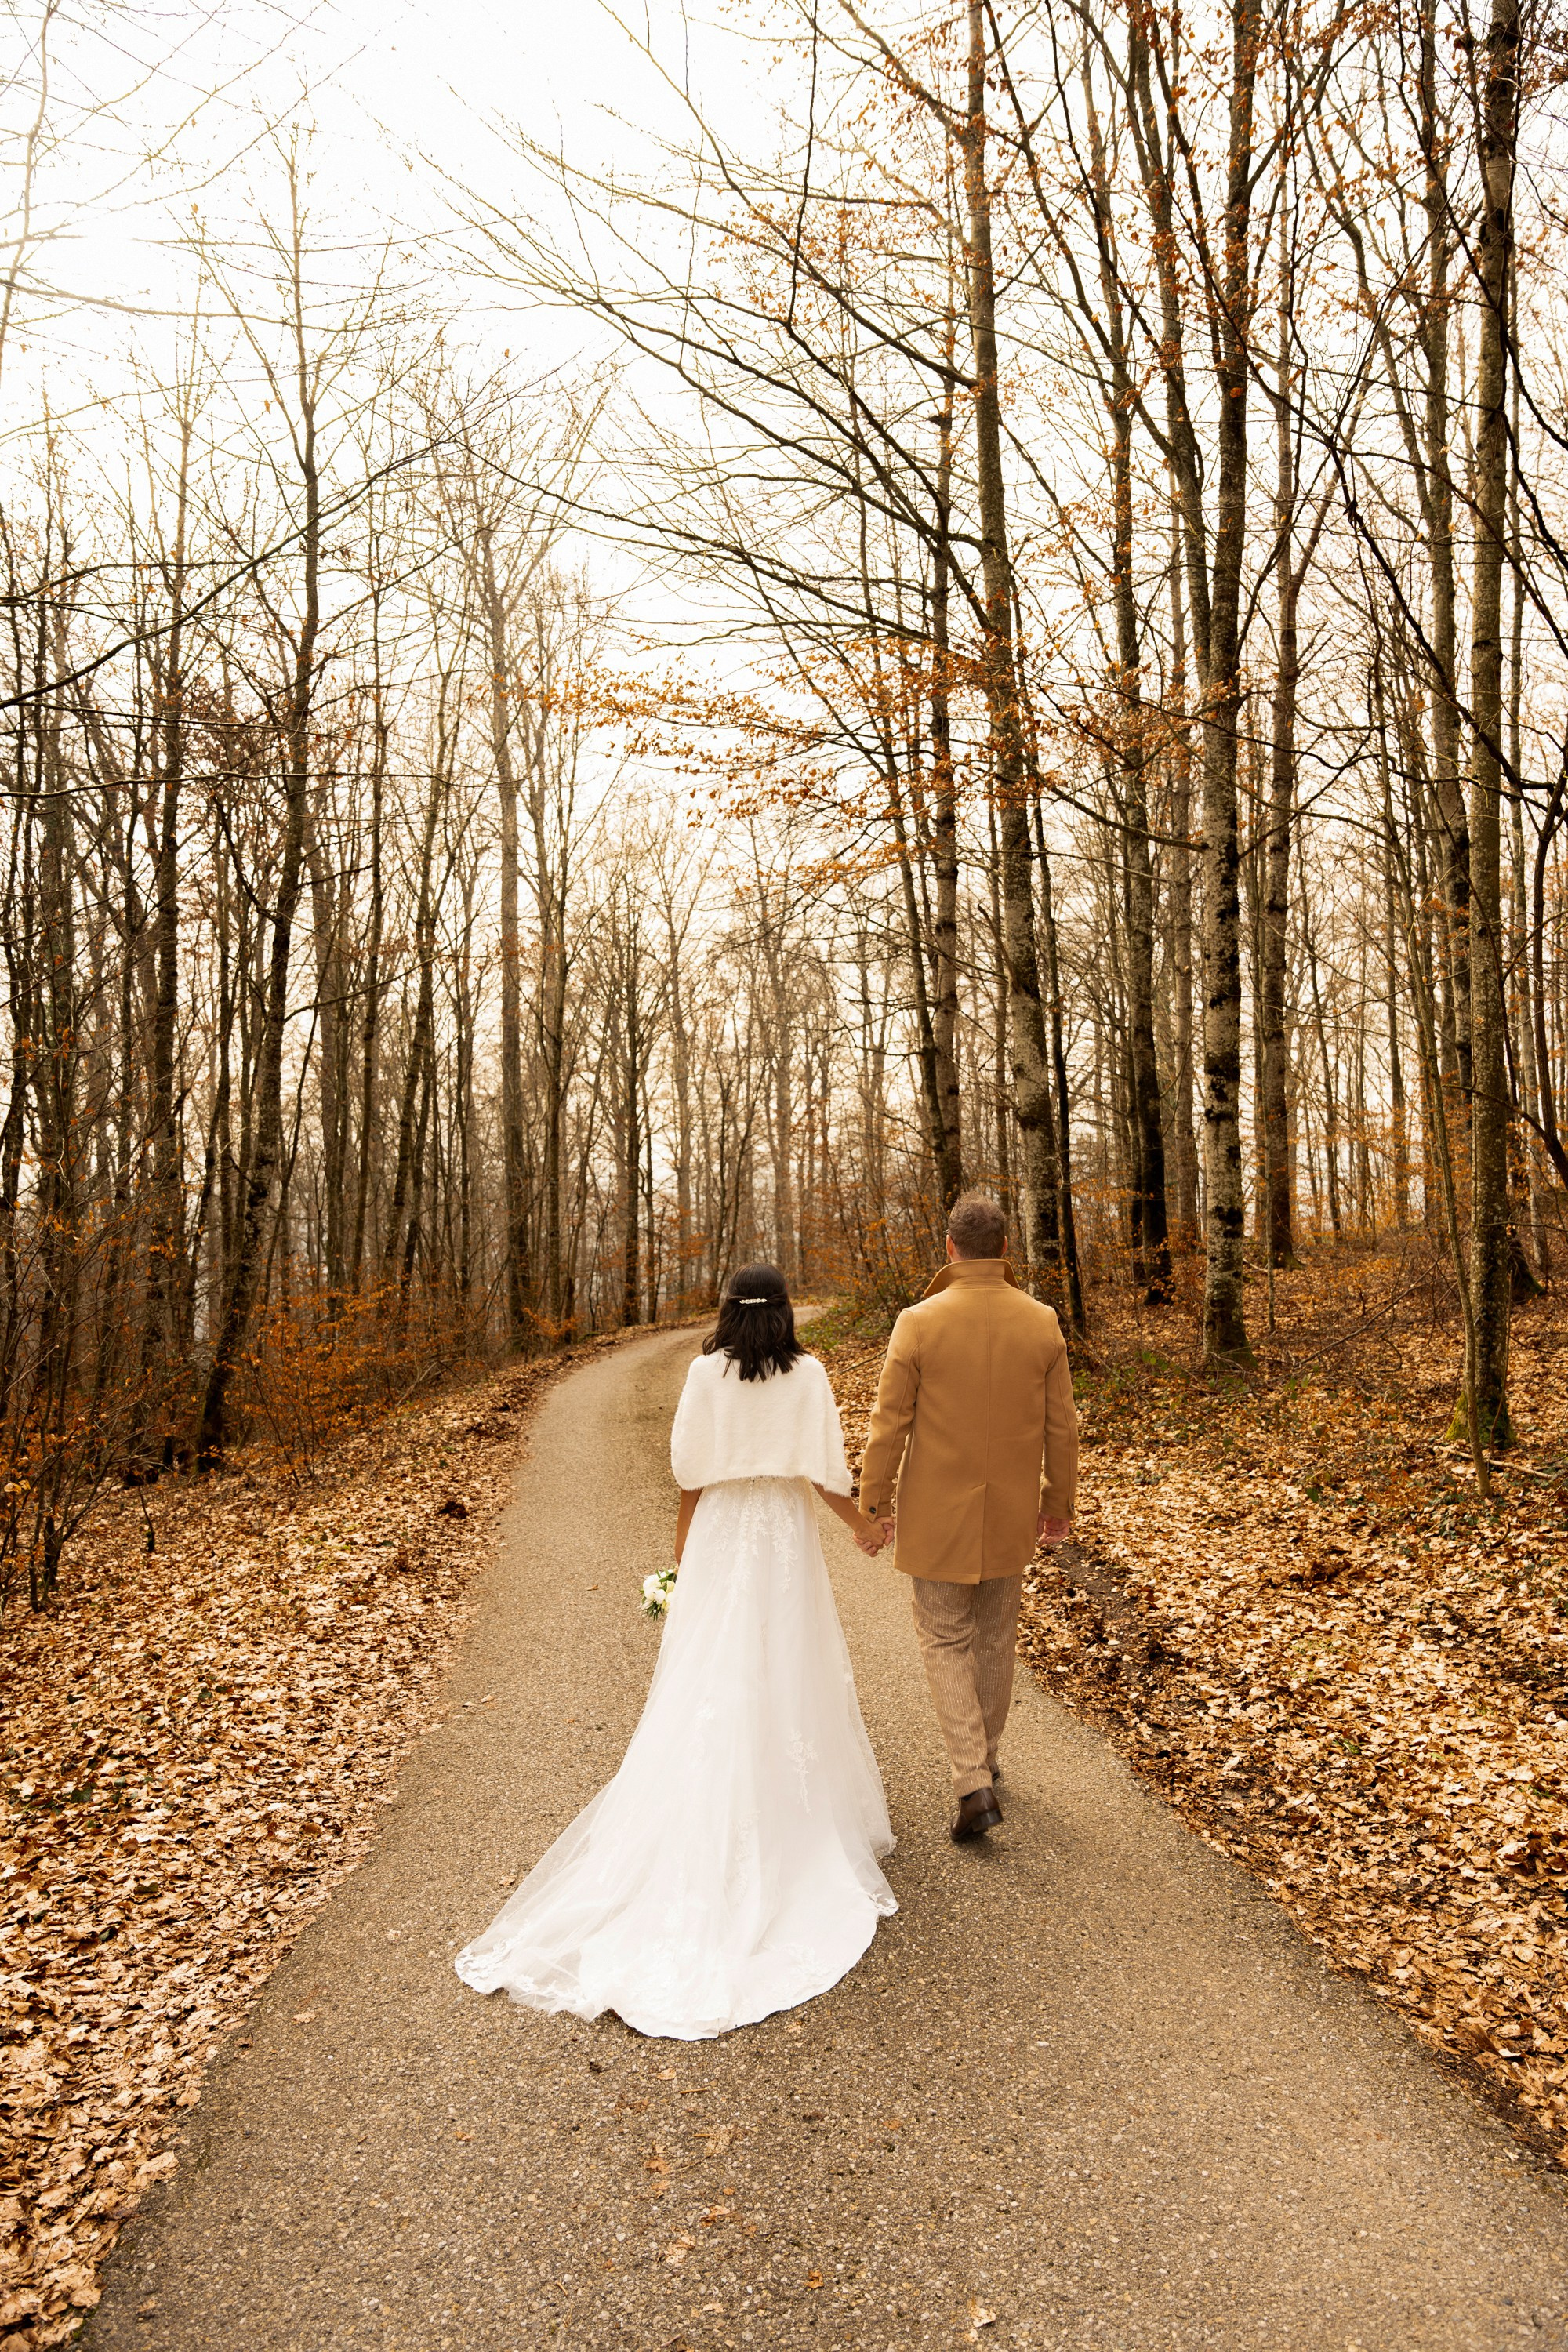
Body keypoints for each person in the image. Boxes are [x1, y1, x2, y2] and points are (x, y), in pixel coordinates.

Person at [455, 1264, 895, 2041]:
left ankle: (721, 1800)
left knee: (716, 1675)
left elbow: (689, 1477)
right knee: (787, 1669)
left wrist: (682, 1562)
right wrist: (861, 1523)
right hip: (780, 1538)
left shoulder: (702, 1373)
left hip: (725, 1532)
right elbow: (820, 1469)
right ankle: (787, 1813)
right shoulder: (808, 1374)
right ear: (786, 1314)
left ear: (726, 1313)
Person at [857, 1191, 1077, 1843]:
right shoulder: (1041, 1321)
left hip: (936, 1513)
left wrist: (875, 1505)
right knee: (995, 1635)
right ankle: (988, 1758)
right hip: (1010, 1511)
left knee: (944, 1637)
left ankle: (971, 1779)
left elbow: (888, 1423)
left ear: (950, 1249)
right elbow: (1063, 1427)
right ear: (1006, 1249)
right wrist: (1057, 1504)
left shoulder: (919, 1321)